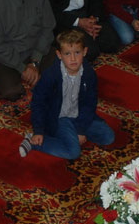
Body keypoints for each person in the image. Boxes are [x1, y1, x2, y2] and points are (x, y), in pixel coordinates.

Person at [19, 29, 113, 159]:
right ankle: (33, 142)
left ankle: (71, 134)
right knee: (73, 152)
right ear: (59, 55)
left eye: (77, 52)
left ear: (85, 52)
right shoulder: (50, 75)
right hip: (60, 118)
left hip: (79, 115)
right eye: (67, 54)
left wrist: (80, 129)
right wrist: (38, 130)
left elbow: (89, 104)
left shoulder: (89, 74)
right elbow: (38, 102)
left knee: (108, 137)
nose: (73, 58)